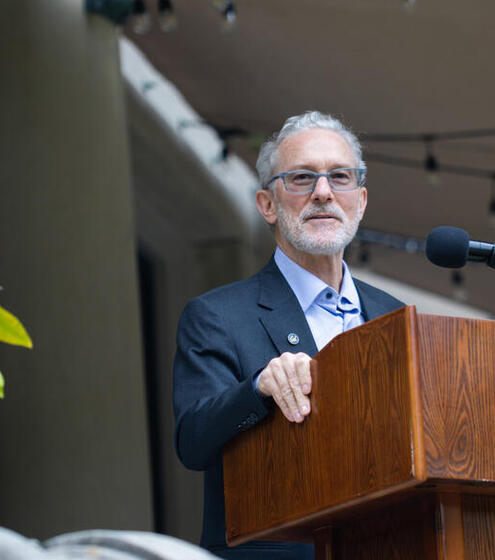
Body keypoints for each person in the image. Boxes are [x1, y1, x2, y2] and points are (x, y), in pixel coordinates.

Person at [172, 111, 405, 559]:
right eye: (301, 178)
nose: (323, 193)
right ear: (267, 205)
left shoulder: (396, 316)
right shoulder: (216, 316)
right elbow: (193, 444)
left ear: (361, 199)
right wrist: (256, 390)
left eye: (339, 177)